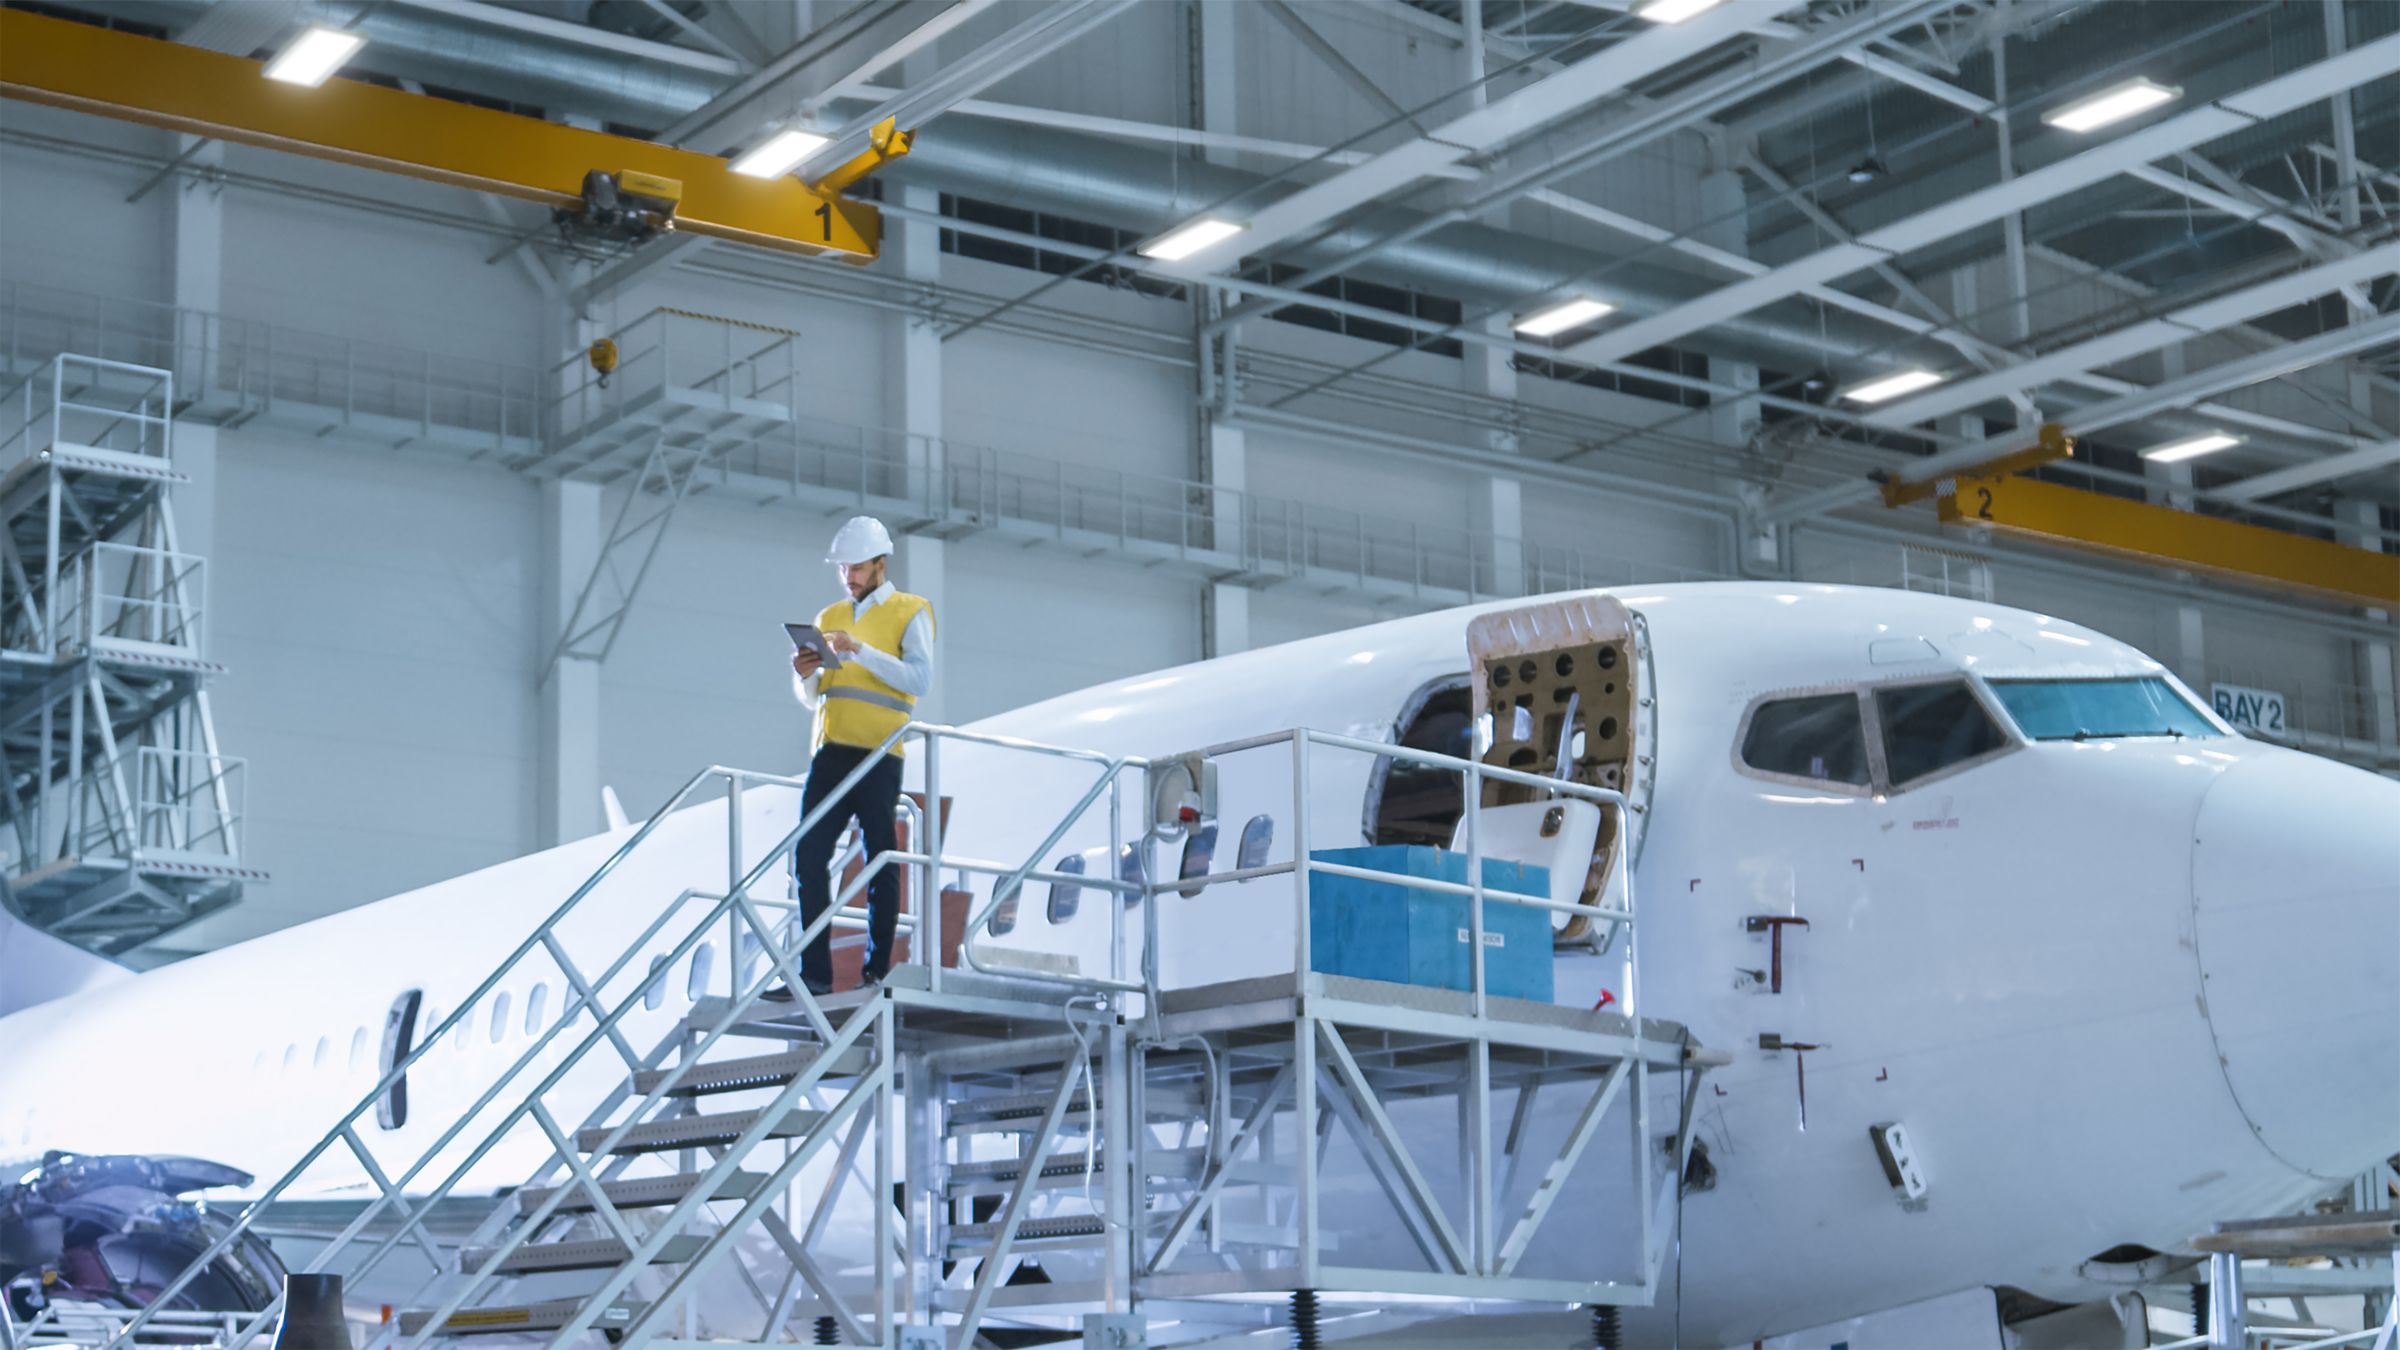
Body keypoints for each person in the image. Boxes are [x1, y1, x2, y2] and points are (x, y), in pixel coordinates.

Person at [772, 515, 936, 998]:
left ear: (881, 564)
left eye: (857, 567)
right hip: (830, 752)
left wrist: (860, 650)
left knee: (879, 859)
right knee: (808, 857)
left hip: (880, 754)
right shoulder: (828, 618)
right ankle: (815, 975)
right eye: (843, 568)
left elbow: (920, 680)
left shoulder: (911, 611)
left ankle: (877, 970)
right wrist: (803, 673)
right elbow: (814, 697)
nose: (849, 576)